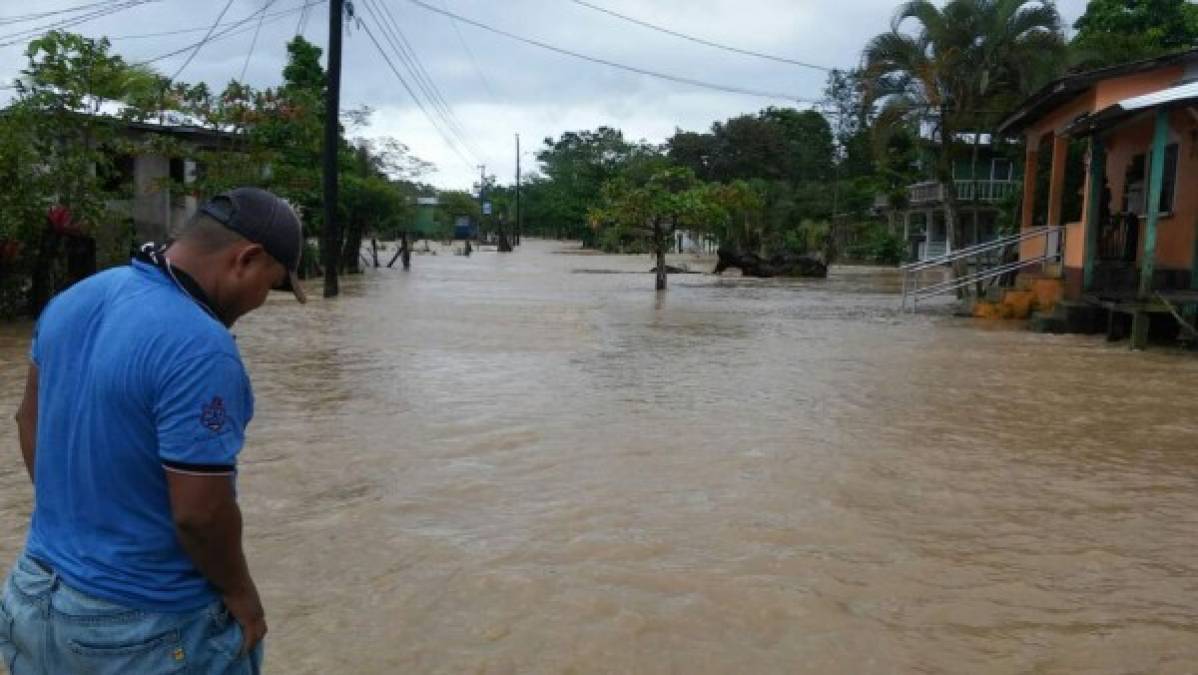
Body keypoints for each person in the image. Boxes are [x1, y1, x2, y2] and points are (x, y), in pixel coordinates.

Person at [0, 187, 306, 674]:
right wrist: (242, 595)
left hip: (33, 598)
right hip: (141, 630)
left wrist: (86, 523)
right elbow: (200, 515)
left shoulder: (74, 299)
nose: (262, 302)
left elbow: (28, 420)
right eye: (271, 286)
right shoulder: (202, 347)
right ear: (246, 259)